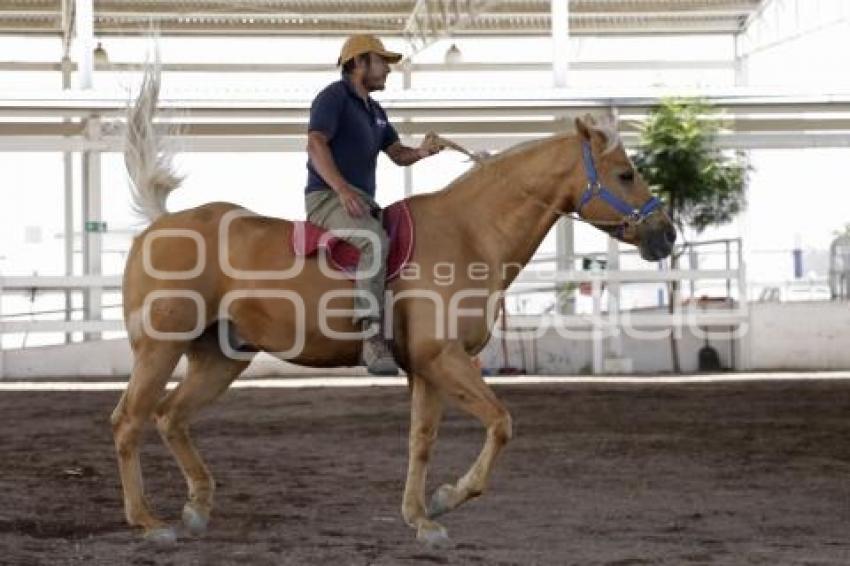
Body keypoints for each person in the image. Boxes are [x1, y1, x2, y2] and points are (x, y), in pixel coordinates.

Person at [305, 34, 443, 375]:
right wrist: (341, 190)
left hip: (360, 199)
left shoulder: (376, 112)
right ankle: (372, 338)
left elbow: (397, 154)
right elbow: (315, 143)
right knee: (373, 240)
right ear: (359, 63)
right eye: (382, 62)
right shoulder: (333, 97)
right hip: (326, 198)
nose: (388, 71)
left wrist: (423, 151)